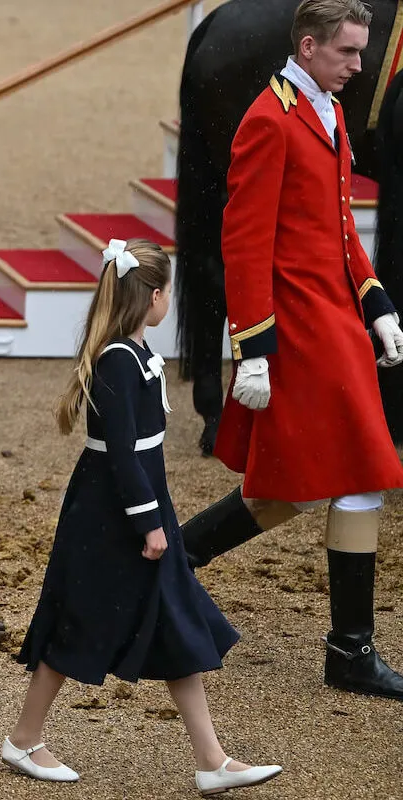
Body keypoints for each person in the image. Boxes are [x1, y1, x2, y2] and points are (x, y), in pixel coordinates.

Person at [181, 0, 403, 702]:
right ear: (308, 48)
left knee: (342, 478)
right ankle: (177, 558)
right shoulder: (267, 120)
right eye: (348, 54)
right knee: (312, 483)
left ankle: (349, 649)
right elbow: (242, 244)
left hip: (337, 319)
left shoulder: (331, 110)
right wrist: (250, 349)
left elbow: (339, 227)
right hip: (298, 329)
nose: (361, 68)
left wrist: (376, 300)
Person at [4, 239, 282, 796]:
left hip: (135, 508)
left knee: (175, 621)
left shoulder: (130, 351)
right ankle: (24, 739)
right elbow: (125, 455)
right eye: (168, 293)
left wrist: (153, 514)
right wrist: (149, 523)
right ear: (154, 296)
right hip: (112, 518)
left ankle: (211, 759)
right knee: (79, 621)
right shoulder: (118, 361)